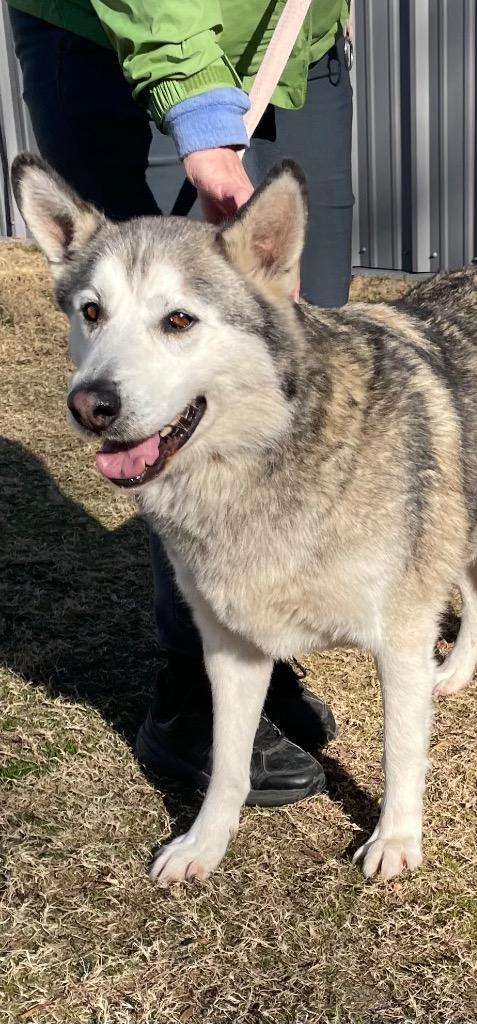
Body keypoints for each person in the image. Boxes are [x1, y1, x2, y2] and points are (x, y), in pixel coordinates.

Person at [8, 0, 354, 804]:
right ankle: (199, 685)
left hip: (287, 38)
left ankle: (258, 643)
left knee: (291, 330)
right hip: (124, 37)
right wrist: (197, 104)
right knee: (148, 344)